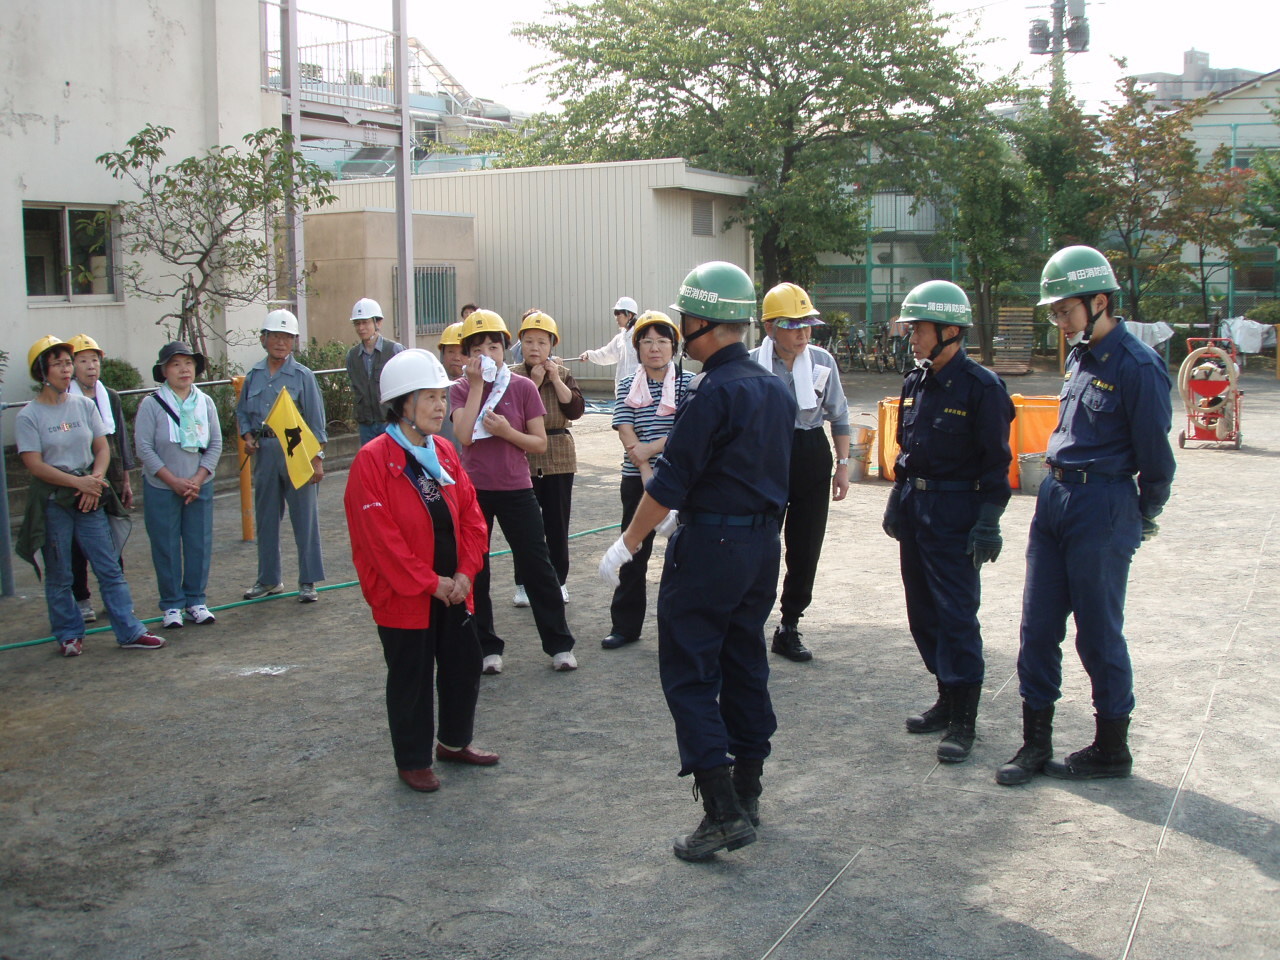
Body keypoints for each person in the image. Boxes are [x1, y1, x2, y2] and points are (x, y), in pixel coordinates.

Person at [599, 261, 795, 862]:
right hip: (762, 547)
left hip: (711, 548)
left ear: (703, 320)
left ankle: (721, 811)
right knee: (744, 662)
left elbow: (671, 482)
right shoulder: (773, 385)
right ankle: (748, 790)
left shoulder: (714, 392)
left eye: (686, 318)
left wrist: (628, 542)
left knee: (688, 672)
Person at [997, 246, 1175, 786]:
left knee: (1098, 631)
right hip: (1055, 497)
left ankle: (1111, 748)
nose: (1059, 322)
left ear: (1100, 301)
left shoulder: (1138, 366)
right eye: (1053, 313)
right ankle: (1035, 744)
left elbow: (1156, 459)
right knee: (1037, 625)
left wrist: (1139, 514)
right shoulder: (1081, 355)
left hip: (1103, 504)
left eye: (1065, 311)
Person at [345, 349, 498, 793]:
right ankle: (412, 759)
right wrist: (432, 583)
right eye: (429, 397)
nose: (439, 406)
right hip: (407, 595)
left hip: (454, 589)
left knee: (463, 664)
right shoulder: (373, 461)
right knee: (410, 676)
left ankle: (453, 742)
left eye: (441, 396)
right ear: (402, 404)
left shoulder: (445, 452)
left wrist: (466, 573)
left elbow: (472, 517)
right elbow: (381, 543)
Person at [881, 281, 1014, 764]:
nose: (912, 336)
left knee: (957, 616)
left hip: (957, 516)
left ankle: (965, 720)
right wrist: (898, 496)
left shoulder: (982, 388)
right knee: (923, 613)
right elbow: (907, 450)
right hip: (917, 511)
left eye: (919, 328)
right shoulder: (915, 382)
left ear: (950, 331)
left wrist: (989, 521)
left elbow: (996, 464)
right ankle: (945, 695)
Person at [15, 336, 166, 656]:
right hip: (55, 502)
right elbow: (34, 464)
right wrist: (76, 484)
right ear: (42, 372)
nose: (67, 369)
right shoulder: (29, 415)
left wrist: (94, 482)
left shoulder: (84, 406)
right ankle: (69, 633)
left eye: (68, 363)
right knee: (60, 572)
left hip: (89, 497)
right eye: (58, 364)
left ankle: (129, 630)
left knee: (108, 566)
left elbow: (102, 447)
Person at [450, 309, 579, 674]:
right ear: (467, 353)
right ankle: (486, 646)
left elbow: (539, 443)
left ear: (506, 348)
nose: (487, 354)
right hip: (474, 491)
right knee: (477, 570)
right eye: (478, 347)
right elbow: (463, 436)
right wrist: (477, 386)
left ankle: (559, 644)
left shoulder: (521, 386)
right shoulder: (460, 389)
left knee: (537, 565)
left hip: (516, 487)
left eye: (494, 346)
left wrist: (507, 432)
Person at [750, 283, 852, 663]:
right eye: (794, 327)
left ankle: (789, 624)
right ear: (771, 328)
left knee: (805, 544)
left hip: (810, 452)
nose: (804, 335)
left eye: (808, 326)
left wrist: (842, 467)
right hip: (764, 455)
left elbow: (839, 416)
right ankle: (748, 622)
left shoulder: (822, 362)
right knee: (760, 542)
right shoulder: (749, 363)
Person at [603, 310, 693, 650]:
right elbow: (625, 428)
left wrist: (649, 452)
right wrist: (644, 470)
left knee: (683, 555)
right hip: (636, 479)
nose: (655, 348)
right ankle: (625, 626)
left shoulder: (690, 383)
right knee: (633, 548)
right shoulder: (628, 384)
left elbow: (685, 433)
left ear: (674, 346)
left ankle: (681, 628)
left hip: (681, 481)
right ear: (637, 347)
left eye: (662, 341)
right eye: (647, 342)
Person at [236, 309, 328, 603]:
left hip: (296, 452)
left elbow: (316, 421)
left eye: (287, 337)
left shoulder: (303, 376)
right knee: (265, 519)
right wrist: (248, 437)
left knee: (305, 519)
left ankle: (308, 581)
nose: (281, 342)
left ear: (294, 342)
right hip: (264, 453)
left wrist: (317, 460)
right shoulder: (254, 376)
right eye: (275, 336)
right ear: (264, 339)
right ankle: (268, 579)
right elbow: (243, 415)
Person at [134, 341, 223, 629]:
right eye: (175, 364)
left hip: (199, 485)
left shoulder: (205, 402)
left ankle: (196, 599)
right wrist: (172, 480)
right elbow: (144, 448)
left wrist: (198, 478)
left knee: (198, 542)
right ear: (164, 371)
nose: (184, 369)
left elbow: (216, 443)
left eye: (188, 363)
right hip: (162, 486)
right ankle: (172, 604)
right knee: (166, 545)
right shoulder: (151, 404)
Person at [510, 310, 585, 607]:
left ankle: (559, 581)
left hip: (558, 454)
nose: (535, 348)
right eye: (529, 341)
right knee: (524, 526)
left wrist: (554, 379)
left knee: (556, 523)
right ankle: (523, 583)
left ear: (552, 345)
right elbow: (515, 414)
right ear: (521, 344)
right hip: (522, 456)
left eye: (542, 342)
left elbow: (576, 410)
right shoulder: (513, 375)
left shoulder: (563, 373)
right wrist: (536, 383)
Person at [66, 333, 135, 625]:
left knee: (113, 539)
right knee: (76, 543)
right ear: (72, 366)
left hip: (111, 477)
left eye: (94, 360)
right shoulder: (67, 399)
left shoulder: (110, 397)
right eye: (83, 360)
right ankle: (81, 598)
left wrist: (127, 480)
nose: (91, 366)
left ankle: (114, 597)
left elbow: (120, 438)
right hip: (78, 479)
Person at [345, 297, 405, 445]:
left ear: (377, 323)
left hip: (391, 422)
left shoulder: (394, 350)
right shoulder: (352, 356)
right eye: (357, 323)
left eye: (365, 322)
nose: (361, 328)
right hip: (366, 424)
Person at [579, 296, 640, 390]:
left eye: (618, 313)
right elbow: (606, 355)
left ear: (629, 315)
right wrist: (589, 354)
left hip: (639, 391)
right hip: (623, 391)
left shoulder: (641, 337)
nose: (616, 318)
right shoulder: (620, 339)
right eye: (615, 314)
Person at [437, 321, 467, 445]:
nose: (456, 357)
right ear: (442, 354)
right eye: (451, 352)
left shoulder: (481, 386)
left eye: (462, 353)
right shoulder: (432, 386)